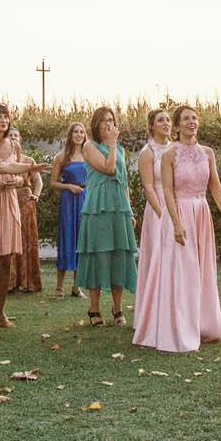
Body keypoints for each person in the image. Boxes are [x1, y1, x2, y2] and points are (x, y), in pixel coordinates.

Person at [160, 106, 221, 343]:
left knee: (203, 269)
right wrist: (176, 223)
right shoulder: (169, 154)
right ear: (177, 126)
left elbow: (215, 186)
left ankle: (204, 325)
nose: (191, 122)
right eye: (186, 119)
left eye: (194, 118)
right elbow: (167, 191)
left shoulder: (208, 153)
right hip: (180, 212)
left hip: (202, 212)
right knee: (184, 270)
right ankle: (181, 326)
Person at [132, 108, 199, 352]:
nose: (166, 124)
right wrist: (163, 215)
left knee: (178, 262)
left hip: (180, 206)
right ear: (151, 126)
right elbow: (149, 187)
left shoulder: (177, 149)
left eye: (169, 120)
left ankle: (179, 311)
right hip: (159, 209)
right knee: (157, 261)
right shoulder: (147, 153)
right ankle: (151, 316)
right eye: (161, 120)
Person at [0, 104, 49, 328]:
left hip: (10, 202)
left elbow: (23, 176)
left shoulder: (14, 145)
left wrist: (18, 181)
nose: (3, 120)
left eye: (6, 116)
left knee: (5, 258)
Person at [76, 107, 139, 327]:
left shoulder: (120, 149)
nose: (108, 124)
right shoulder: (89, 146)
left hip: (118, 206)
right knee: (98, 254)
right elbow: (108, 168)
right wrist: (112, 144)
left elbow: (124, 182)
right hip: (98, 207)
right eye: (103, 120)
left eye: (111, 120)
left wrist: (129, 211)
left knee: (118, 255)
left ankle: (118, 308)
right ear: (96, 124)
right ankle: (94, 309)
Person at [50, 121, 89, 298]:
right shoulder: (61, 156)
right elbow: (53, 183)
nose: (79, 135)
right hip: (68, 200)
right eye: (75, 132)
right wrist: (69, 187)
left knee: (82, 241)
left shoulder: (89, 155)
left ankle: (76, 286)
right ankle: (59, 287)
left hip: (85, 199)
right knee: (67, 239)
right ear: (70, 135)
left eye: (81, 132)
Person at [11, 127, 45, 293]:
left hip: (26, 200)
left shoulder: (28, 160)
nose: (13, 138)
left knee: (26, 238)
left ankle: (29, 282)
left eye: (15, 135)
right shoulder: (1, 160)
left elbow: (38, 181)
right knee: (10, 238)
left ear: (20, 139)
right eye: (9, 136)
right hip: (8, 200)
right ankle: (11, 282)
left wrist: (36, 195)